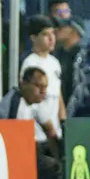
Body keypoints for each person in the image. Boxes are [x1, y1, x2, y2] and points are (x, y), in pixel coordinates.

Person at [20, 16, 64, 156]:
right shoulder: (30, 64)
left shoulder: (54, 63)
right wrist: (49, 129)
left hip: (54, 133)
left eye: (53, 34)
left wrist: (63, 122)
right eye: (46, 34)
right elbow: (34, 104)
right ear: (33, 38)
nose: (51, 39)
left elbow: (58, 95)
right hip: (37, 136)